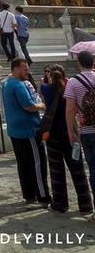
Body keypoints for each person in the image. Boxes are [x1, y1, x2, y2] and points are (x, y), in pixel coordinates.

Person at [41, 65, 92, 216]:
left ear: (50, 75)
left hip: (53, 135)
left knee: (57, 170)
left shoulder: (46, 89)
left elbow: (45, 90)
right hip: (71, 133)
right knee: (78, 170)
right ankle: (86, 205)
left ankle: (60, 203)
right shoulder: (70, 87)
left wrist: (47, 80)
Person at [1, 57, 50, 205]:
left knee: (23, 164)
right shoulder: (19, 85)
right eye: (24, 68)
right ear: (15, 69)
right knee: (37, 164)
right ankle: (43, 196)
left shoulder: (6, 83)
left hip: (14, 130)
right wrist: (42, 106)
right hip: (28, 130)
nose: (27, 71)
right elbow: (29, 105)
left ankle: (29, 195)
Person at [65, 50, 95, 207]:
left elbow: (70, 110)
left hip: (87, 131)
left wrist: (71, 132)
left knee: (93, 169)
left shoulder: (73, 82)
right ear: (93, 63)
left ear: (79, 63)